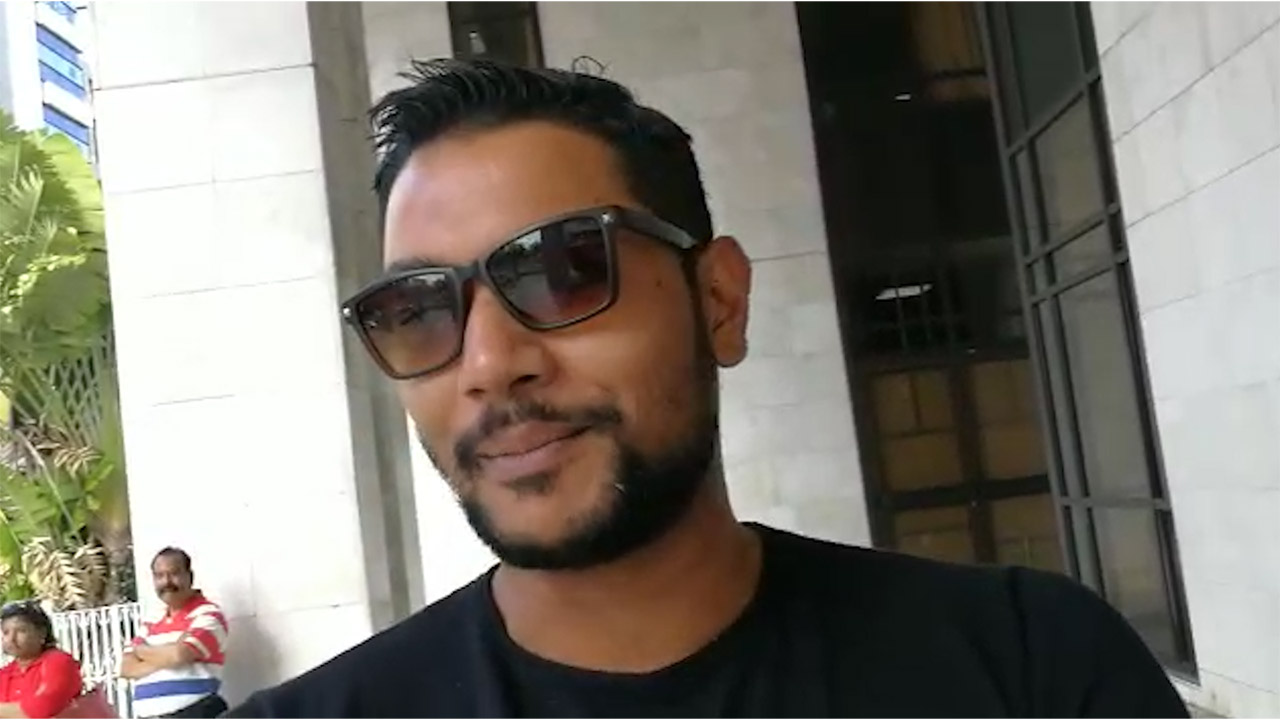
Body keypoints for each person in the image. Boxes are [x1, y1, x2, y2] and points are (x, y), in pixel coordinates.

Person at [227, 59, 1188, 717]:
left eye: (563, 271)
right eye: (418, 310)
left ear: (720, 301)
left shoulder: (1030, 668)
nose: (487, 364)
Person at [121, 548, 228, 718]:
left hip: (194, 713)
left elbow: (179, 654)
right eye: (159, 576)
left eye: (174, 574)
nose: (166, 582)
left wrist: (140, 652)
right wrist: (168, 656)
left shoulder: (208, 614)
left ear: (190, 576)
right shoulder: (151, 621)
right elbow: (126, 668)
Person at [0, 602, 82, 719]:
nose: (11, 639)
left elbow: (41, 709)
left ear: (42, 633)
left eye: (21, 631)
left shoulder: (59, 662)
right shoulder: (5, 673)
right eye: (6, 632)